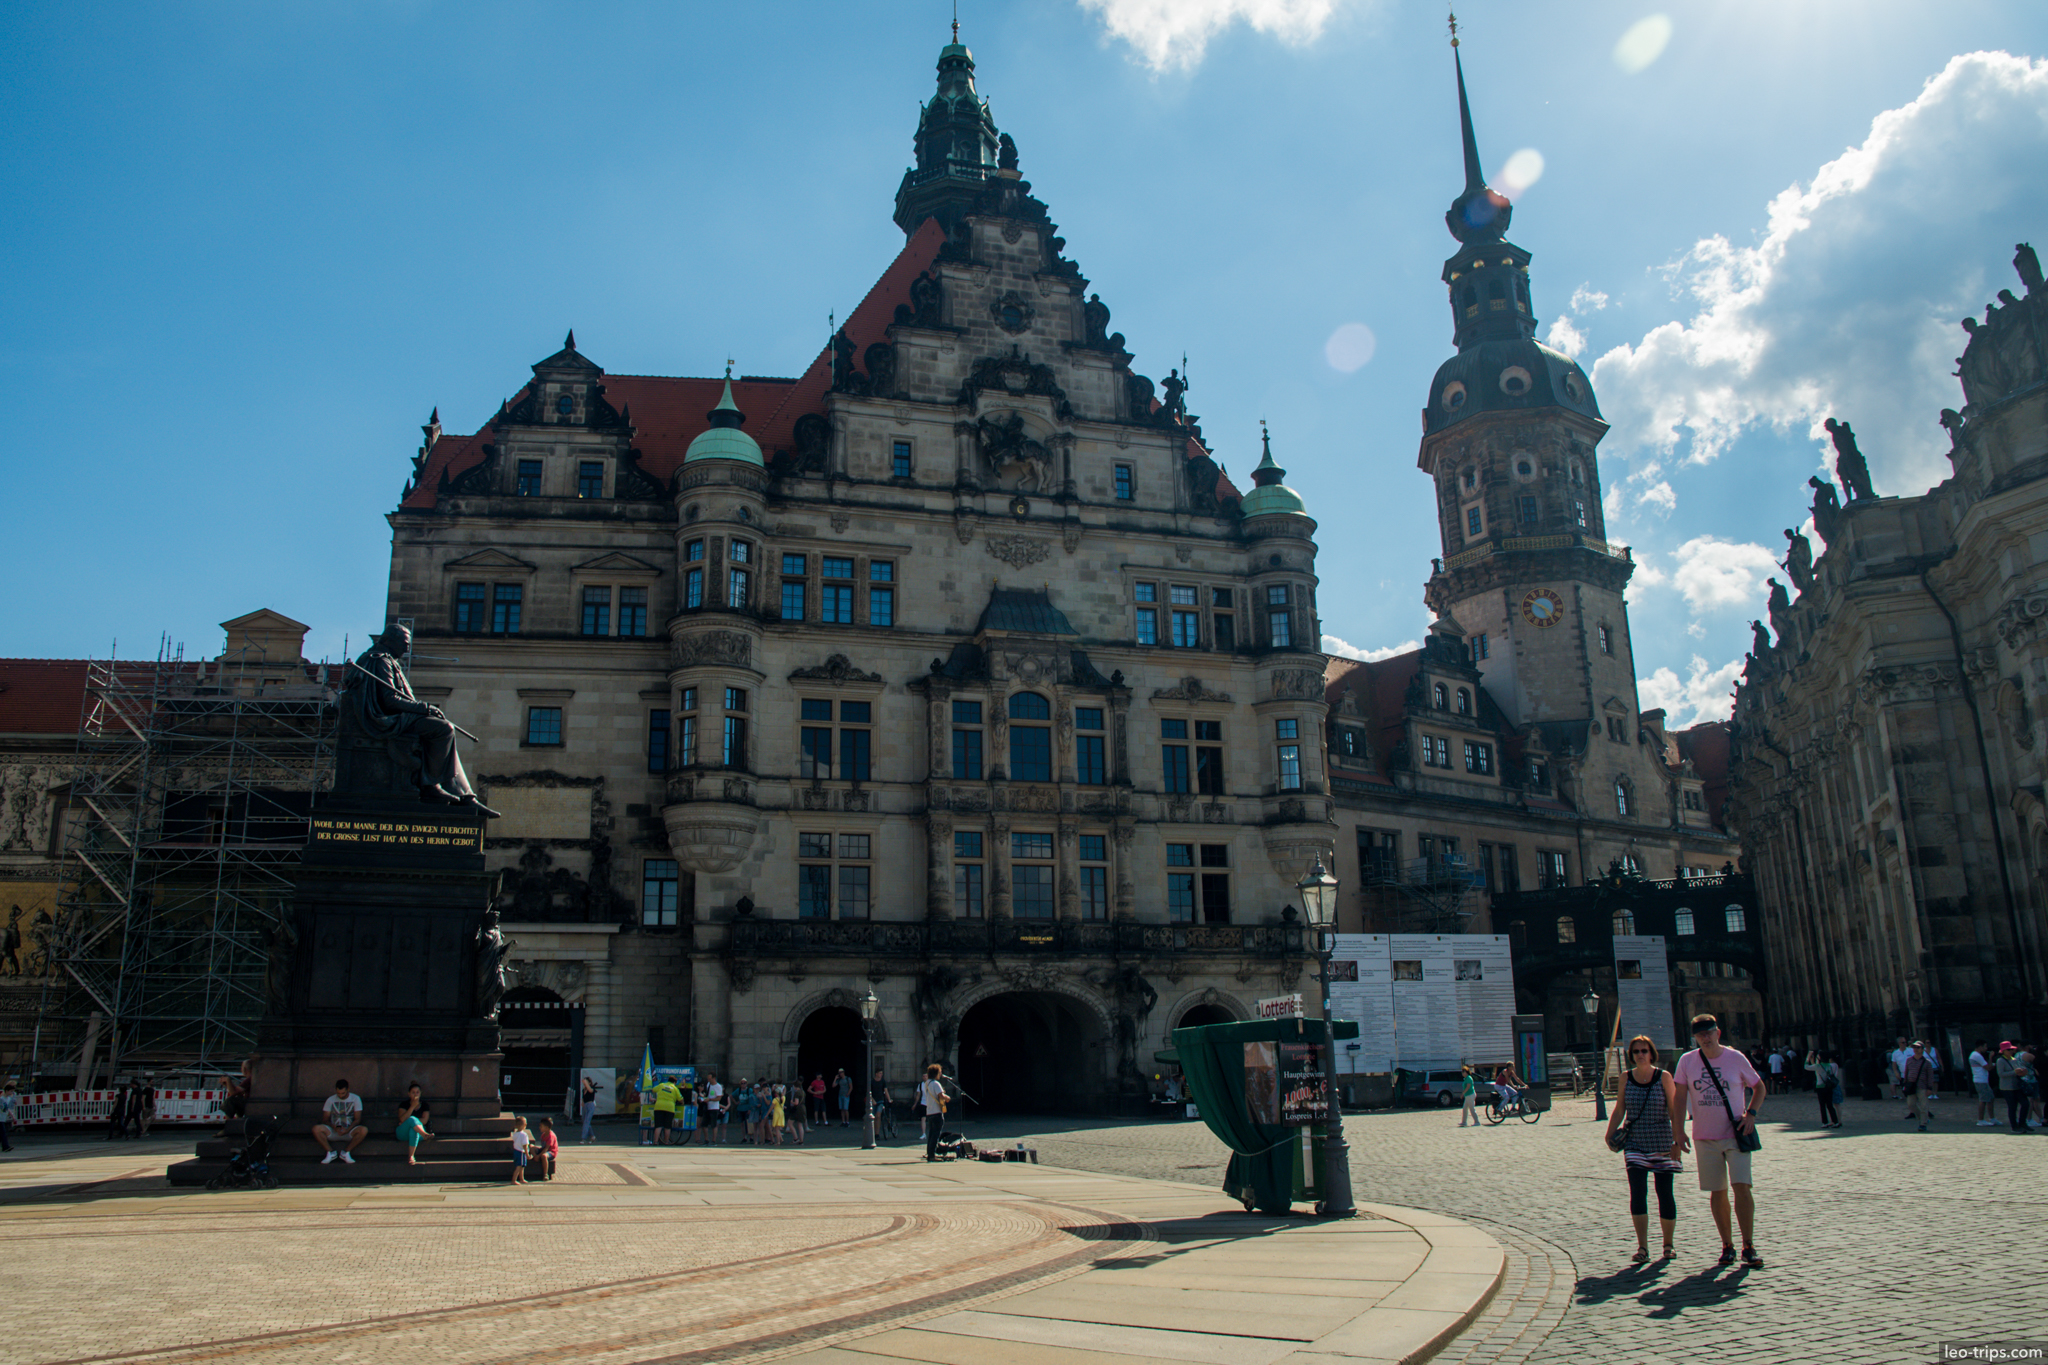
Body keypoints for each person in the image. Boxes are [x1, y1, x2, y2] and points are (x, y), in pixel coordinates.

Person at [1672, 1014, 1765, 1269]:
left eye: (1709, 1033)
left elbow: (1759, 1087)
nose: (1706, 1038)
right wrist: (1678, 1131)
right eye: (1701, 1035)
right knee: (1718, 1191)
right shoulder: (1687, 1061)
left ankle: (1748, 1244)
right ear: (1695, 1038)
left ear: (1718, 1033)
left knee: (1742, 1186)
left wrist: (1751, 1114)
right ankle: (1727, 1245)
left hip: (1736, 1134)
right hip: (1705, 1137)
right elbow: (1679, 1098)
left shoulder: (1735, 1058)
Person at [1606, 1036, 1685, 1263]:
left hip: (1661, 1141)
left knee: (1664, 1193)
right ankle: (1642, 1247)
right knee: (1638, 1193)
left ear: (1652, 1053)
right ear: (1631, 1055)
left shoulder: (1664, 1077)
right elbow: (1620, 1109)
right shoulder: (1625, 1077)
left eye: (1644, 1050)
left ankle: (1668, 1244)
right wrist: (1609, 1132)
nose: (1640, 1054)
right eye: (1636, 1051)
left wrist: (1677, 1140)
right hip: (1635, 1142)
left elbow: (1673, 1110)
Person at [314, 1077, 368, 1165]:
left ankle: (346, 1152)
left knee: (363, 1130)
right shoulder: (330, 1100)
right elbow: (325, 1119)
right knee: (316, 1129)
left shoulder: (355, 1099)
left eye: (343, 1093)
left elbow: (357, 1119)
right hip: (334, 1129)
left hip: (349, 1130)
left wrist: (348, 1129)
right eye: (338, 1093)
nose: (340, 1095)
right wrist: (335, 1127)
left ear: (348, 1089)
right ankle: (330, 1152)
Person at [1901, 1042, 1936, 1132]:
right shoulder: (1909, 1060)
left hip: (1922, 1086)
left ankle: (1922, 1124)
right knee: (1911, 1104)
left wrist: (1930, 1088)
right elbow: (1906, 1073)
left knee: (1924, 1105)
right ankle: (1922, 1118)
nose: (1915, 1049)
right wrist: (1905, 1084)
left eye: (1918, 1047)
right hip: (1911, 1086)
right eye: (1914, 1047)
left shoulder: (1927, 1062)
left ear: (1922, 1049)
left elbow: (1930, 1076)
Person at [1805, 1050, 1841, 1128]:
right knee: (1830, 1105)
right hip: (1828, 1087)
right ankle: (1835, 1121)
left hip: (1820, 1087)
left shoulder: (1818, 1066)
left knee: (1822, 1105)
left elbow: (1806, 1067)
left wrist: (1808, 1057)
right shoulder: (1830, 1066)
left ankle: (1825, 1122)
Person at [920, 1063, 948, 1162]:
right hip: (937, 1112)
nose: (940, 1074)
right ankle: (932, 1156)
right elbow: (941, 1095)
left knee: (931, 1134)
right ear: (936, 1073)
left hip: (929, 1112)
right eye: (940, 1072)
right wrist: (947, 1098)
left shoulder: (927, 1083)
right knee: (935, 1135)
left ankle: (930, 1153)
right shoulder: (936, 1084)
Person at [1995, 1043, 2025, 1132]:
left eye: (2012, 1049)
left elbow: (2018, 1069)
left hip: (2017, 1086)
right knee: (2012, 1107)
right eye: (2008, 1050)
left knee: (2025, 1103)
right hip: (2006, 1088)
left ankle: (2022, 1123)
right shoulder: (2000, 1060)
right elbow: (2001, 1074)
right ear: (2003, 1051)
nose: (2011, 1051)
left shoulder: (2013, 1059)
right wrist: (2014, 1072)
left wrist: (2022, 1071)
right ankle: (2014, 1126)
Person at [1969, 1040, 1996, 1126]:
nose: (1986, 1049)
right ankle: (1980, 1120)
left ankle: (1992, 1118)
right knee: (1983, 1100)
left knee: (1990, 1098)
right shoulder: (1977, 1055)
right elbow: (1988, 1067)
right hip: (1980, 1080)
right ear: (1980, 1047)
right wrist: (1991, 1057)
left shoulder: (1975, 1055)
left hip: (1983, 1080)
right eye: (1985, 1047)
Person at [652, 1075, 680, 1145]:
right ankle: (666, 1141)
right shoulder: (675, 1088)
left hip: (659, 1107)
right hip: (670, 1108)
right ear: (674, 1082)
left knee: (658, 1125)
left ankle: (655, 1141)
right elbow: (681, 1099)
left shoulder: (661, 1085)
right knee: (667, 1126)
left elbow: (653, 1090)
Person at [1888, 1036, 1912, 1110]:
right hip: (1903, 1075)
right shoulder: (1895, 1053)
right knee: (1906, 1091)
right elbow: (1894, 1065)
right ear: (1899, 1043)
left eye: (1905, 1042)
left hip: (1912, 1074)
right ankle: (1911, 1106)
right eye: (1902, 1042)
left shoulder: (1911, 1050)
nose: (1904, 1044)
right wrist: (1896, 1073)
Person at [509, 1115, 531, 1184]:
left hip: (516, 1151)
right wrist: (527, 1154)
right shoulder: (524, 1135)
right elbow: (525, 1145)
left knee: (521, 1166)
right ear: (525, 1125)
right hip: (521, 1152)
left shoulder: (515, 1134)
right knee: (519, 1166)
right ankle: (514, 1180)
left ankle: (521, 1178)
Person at [870, 1067, 891, 1138]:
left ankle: (877, 1133)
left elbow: (886, 1091)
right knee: (872, 1117)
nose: (881, 1074)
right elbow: (869, 1092)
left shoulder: (883, 1081)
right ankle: (871, 1132)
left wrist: (889, 1099)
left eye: (881, 1073)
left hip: (880, 1101)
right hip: (873, 1101)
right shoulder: (872, 1082)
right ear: (876, 1074)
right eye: (880, 1073)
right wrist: (872, 1100)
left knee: (878, 1115)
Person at [579, 1074, 599, 1143]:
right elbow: (583, 1097)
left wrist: (586, 1083)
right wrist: (582, 1102)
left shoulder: (592, 1088)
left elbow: (590, 1090)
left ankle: (583, 1138)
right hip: (585, 1105)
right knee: (585, 1121)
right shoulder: (583, 1090)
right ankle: (592, 1136)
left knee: (587, 1121)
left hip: (590, 1105)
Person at [1458, 1064, 1479, 1128]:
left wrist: (1462, 1093)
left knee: (1472, 1108)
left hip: (1470, 1095)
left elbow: (1468, 1087)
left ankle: (1477, 1121)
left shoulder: (1469, 1078)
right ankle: (1464, 1122)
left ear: (1465, 1072)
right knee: (1465, 1109)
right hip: (1467, 1096)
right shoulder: (1466, 1078)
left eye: (1463, 1072)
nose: (1462, 1073)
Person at [0, 1080, 17, 1153]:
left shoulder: (8, 1099)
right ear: (6, 1091)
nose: (11, 1093)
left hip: (2, 1118)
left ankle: (5, 1146)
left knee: (2, 1133)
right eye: (10, 1091)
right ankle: (5, 1147)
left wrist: (12, 1116)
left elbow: (7, 1108)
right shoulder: (1, 1099)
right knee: (3, 1133)